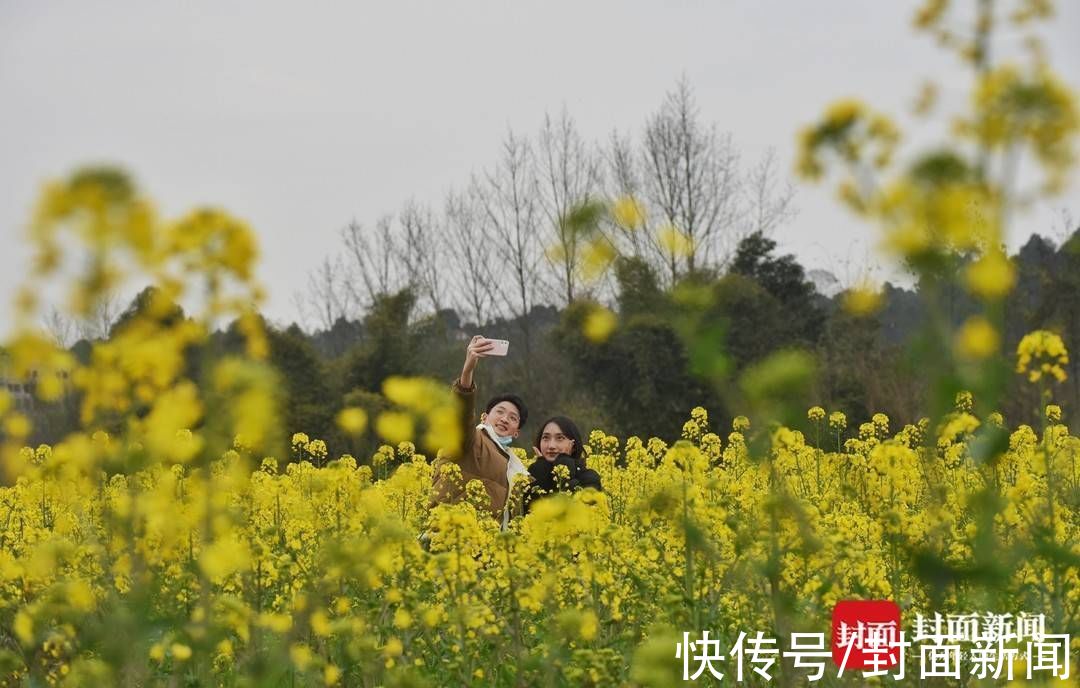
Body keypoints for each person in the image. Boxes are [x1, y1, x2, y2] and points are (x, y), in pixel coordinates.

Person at [428, 336, 529, 528]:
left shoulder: (518, 467)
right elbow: (460, 416)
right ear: (484, 417)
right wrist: (467, 375)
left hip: (487, 545)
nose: (505, 419)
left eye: (513, 418)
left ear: (516, 432)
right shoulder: (470, 439)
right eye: (499, 412)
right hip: (452, 534)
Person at [525, 415, 602, 508]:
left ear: (573, 445)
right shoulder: (530, 474)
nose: (551, 446)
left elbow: (577, 509)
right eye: (546, 437)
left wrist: (564, 461)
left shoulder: (589, 477)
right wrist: (541, 466)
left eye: (559, 438)